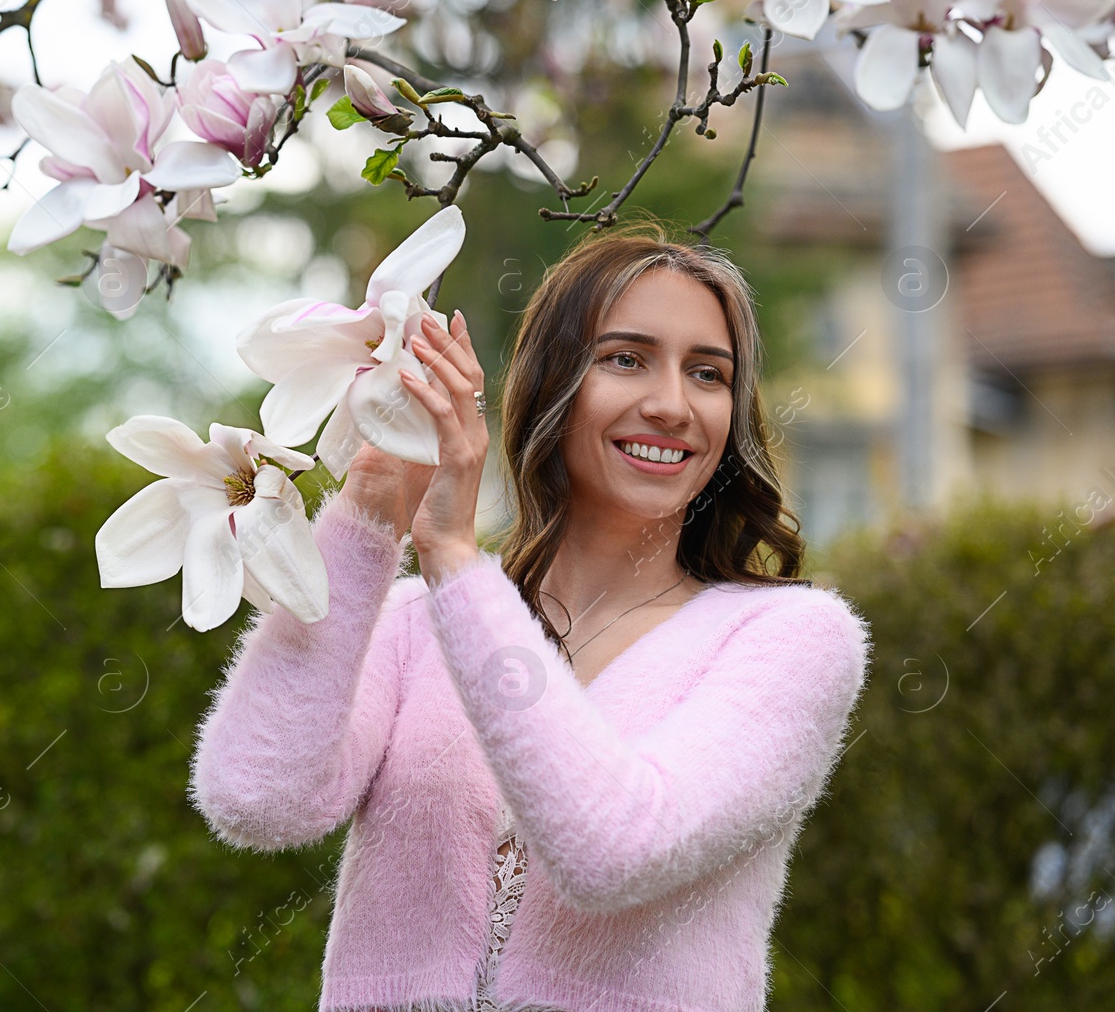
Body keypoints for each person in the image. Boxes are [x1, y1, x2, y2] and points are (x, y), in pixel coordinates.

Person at [188, 222, 872, 1012]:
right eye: (626, 358)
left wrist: (450, 553)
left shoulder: (790, 640)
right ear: (552, 383)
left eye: (709, 373)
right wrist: (370, 511)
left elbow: (614, 848)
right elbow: (256, 796)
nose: (672, 404)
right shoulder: (420, 623)